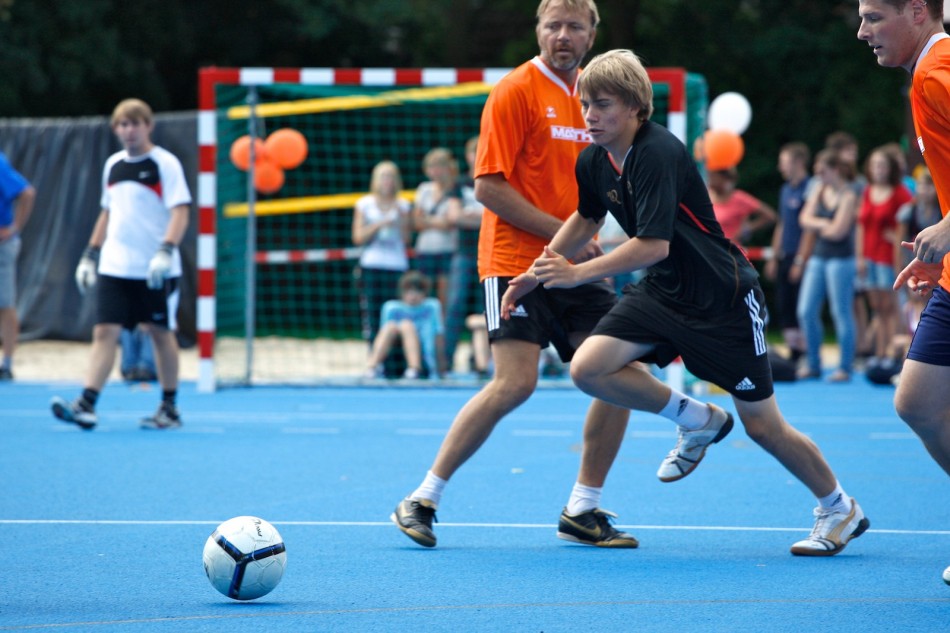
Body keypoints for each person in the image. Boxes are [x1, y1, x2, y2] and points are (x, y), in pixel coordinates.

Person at [501, 49, 869, 555]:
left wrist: (575, 275)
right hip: (663, 291)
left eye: (602, 105)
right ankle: (698, 419)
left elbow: (653, 244)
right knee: (588, 368)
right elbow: (585, 220)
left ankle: (838, 507)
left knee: (764, 427)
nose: (589, 116)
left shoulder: (658, 152)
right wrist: (533, 275)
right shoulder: (593, 158)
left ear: (634, 106)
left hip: (724, 299)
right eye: (584, 104)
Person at [391, 0, 638, 550]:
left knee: (618, 369)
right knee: (515, 383)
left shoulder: (594, 101)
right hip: (511, 261)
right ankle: (422, 498)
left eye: (575, 25)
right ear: (538, 31)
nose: (563, 35)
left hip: (571, 266)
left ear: (593, 34)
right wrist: (565, 233)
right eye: (553, 25)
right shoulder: (515, 91)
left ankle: (583, 508)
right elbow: (488, 188)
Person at [857, 0, 950, 583]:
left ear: (917, 11)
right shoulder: (927, 76)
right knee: (916, 402)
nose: (862, 31)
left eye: (872, 17)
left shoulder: (938, 74)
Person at [50, 98, 191, 430]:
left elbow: (181, 211)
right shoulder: (113, 165)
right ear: (116, 129)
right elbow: (108, 211)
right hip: (115, 266)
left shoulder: (164, 164)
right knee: (104, 332)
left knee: (160, 333)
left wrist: (166, 250)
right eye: (122, 125)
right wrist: (90, 254)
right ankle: (86, 404)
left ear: (148, 125)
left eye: (135, 124)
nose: (129, 131)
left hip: (155, 268)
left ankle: (169, 408)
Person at [795, 149, 860, 382]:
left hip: (841, 259)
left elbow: (839, 231)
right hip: (819, 257)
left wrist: (818, 224)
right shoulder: (819, 189)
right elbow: (804, 219)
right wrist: (825, 223)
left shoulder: (849, 195)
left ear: (835, 170)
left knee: (840, 312)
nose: (818, 175)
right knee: (805, 310)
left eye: (822, 171)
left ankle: (844, 366)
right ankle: (813, 363)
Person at [856, 145, 913, 370]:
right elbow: (861, 225)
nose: (878, 169)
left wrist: (898, 239)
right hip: (869, 255)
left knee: (890, 307)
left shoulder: (900, 193)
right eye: (874, 165)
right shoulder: (868, 191)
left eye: (882, 165)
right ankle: (878, 353)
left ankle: (891, 353)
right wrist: (860, 257)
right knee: (876, 307)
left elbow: (910, 220)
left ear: (890, 169)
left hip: (888, 256)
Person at [352, 160, 412, 348]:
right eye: (383, 176)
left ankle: (393, 359)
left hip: (396, 265)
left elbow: (407, 239)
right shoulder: (365, 204)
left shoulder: (403, 205)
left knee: (395, 313)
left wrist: (401, 221)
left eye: (391, 177)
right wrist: (379, 224)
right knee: (372, 313)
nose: (387, 181)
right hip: (371, 265)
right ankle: (374, 357)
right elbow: (357, 237)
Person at [764, 142, 811, 363]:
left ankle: (807, 351)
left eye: (784, 162)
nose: (781, 167)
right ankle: (795, 351)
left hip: (802, 256)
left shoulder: (810, 188)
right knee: (784, 304)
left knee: (801, 305)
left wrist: (800, 261)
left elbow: (809, 230)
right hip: (786, 255)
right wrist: (774, 256)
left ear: (798, 162)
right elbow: (782, 224)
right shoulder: (786, 190)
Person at [444, 136, 485, 373]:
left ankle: (480, 361)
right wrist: (483, 217)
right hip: (464, 253)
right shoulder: (459, 184)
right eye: (474, 152)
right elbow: (454, 216)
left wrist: (470, 216)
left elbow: (502, 216)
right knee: (455, 305)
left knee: (487, 309)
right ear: (468, 156)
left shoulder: (495, 180)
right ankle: (445, 361)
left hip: (489, 253)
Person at [411, 147, 462, 340]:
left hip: (448, 250)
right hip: (425, 250)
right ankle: (421, 336)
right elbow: (416, 222)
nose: (435, 171)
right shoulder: (424, 189)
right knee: (422, 296)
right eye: (432, 167)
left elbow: (451, 222)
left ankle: (440, 340)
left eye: (439, 166)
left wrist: (428, 221)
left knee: (444, 301)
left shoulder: (455, 189)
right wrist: (438, 222)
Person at [363, 271, 444, 380]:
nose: (413, 296)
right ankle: (372, 367)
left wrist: (441, 366)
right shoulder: (391, 308)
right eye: (409, 291)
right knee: (391, 326)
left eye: (418, 291)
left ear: (425, 293)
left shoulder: (431, 307)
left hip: (423, 360)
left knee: (407, 325)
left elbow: (438, 336)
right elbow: (383, 335)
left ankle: (414, 368)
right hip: (395, 360)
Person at [0, 151, 36, 381]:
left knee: (4, 302)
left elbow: (27, 193)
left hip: (2, 245)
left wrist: (13, 229)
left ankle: (7, 362)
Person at [706, 167, 777, 247]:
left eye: (712, 175)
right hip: (709, 250)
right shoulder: (706, 197)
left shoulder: (738, 198)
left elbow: (770, 216)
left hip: (730, 251)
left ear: (723, 178)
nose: (709, 179)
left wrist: (747, 229)